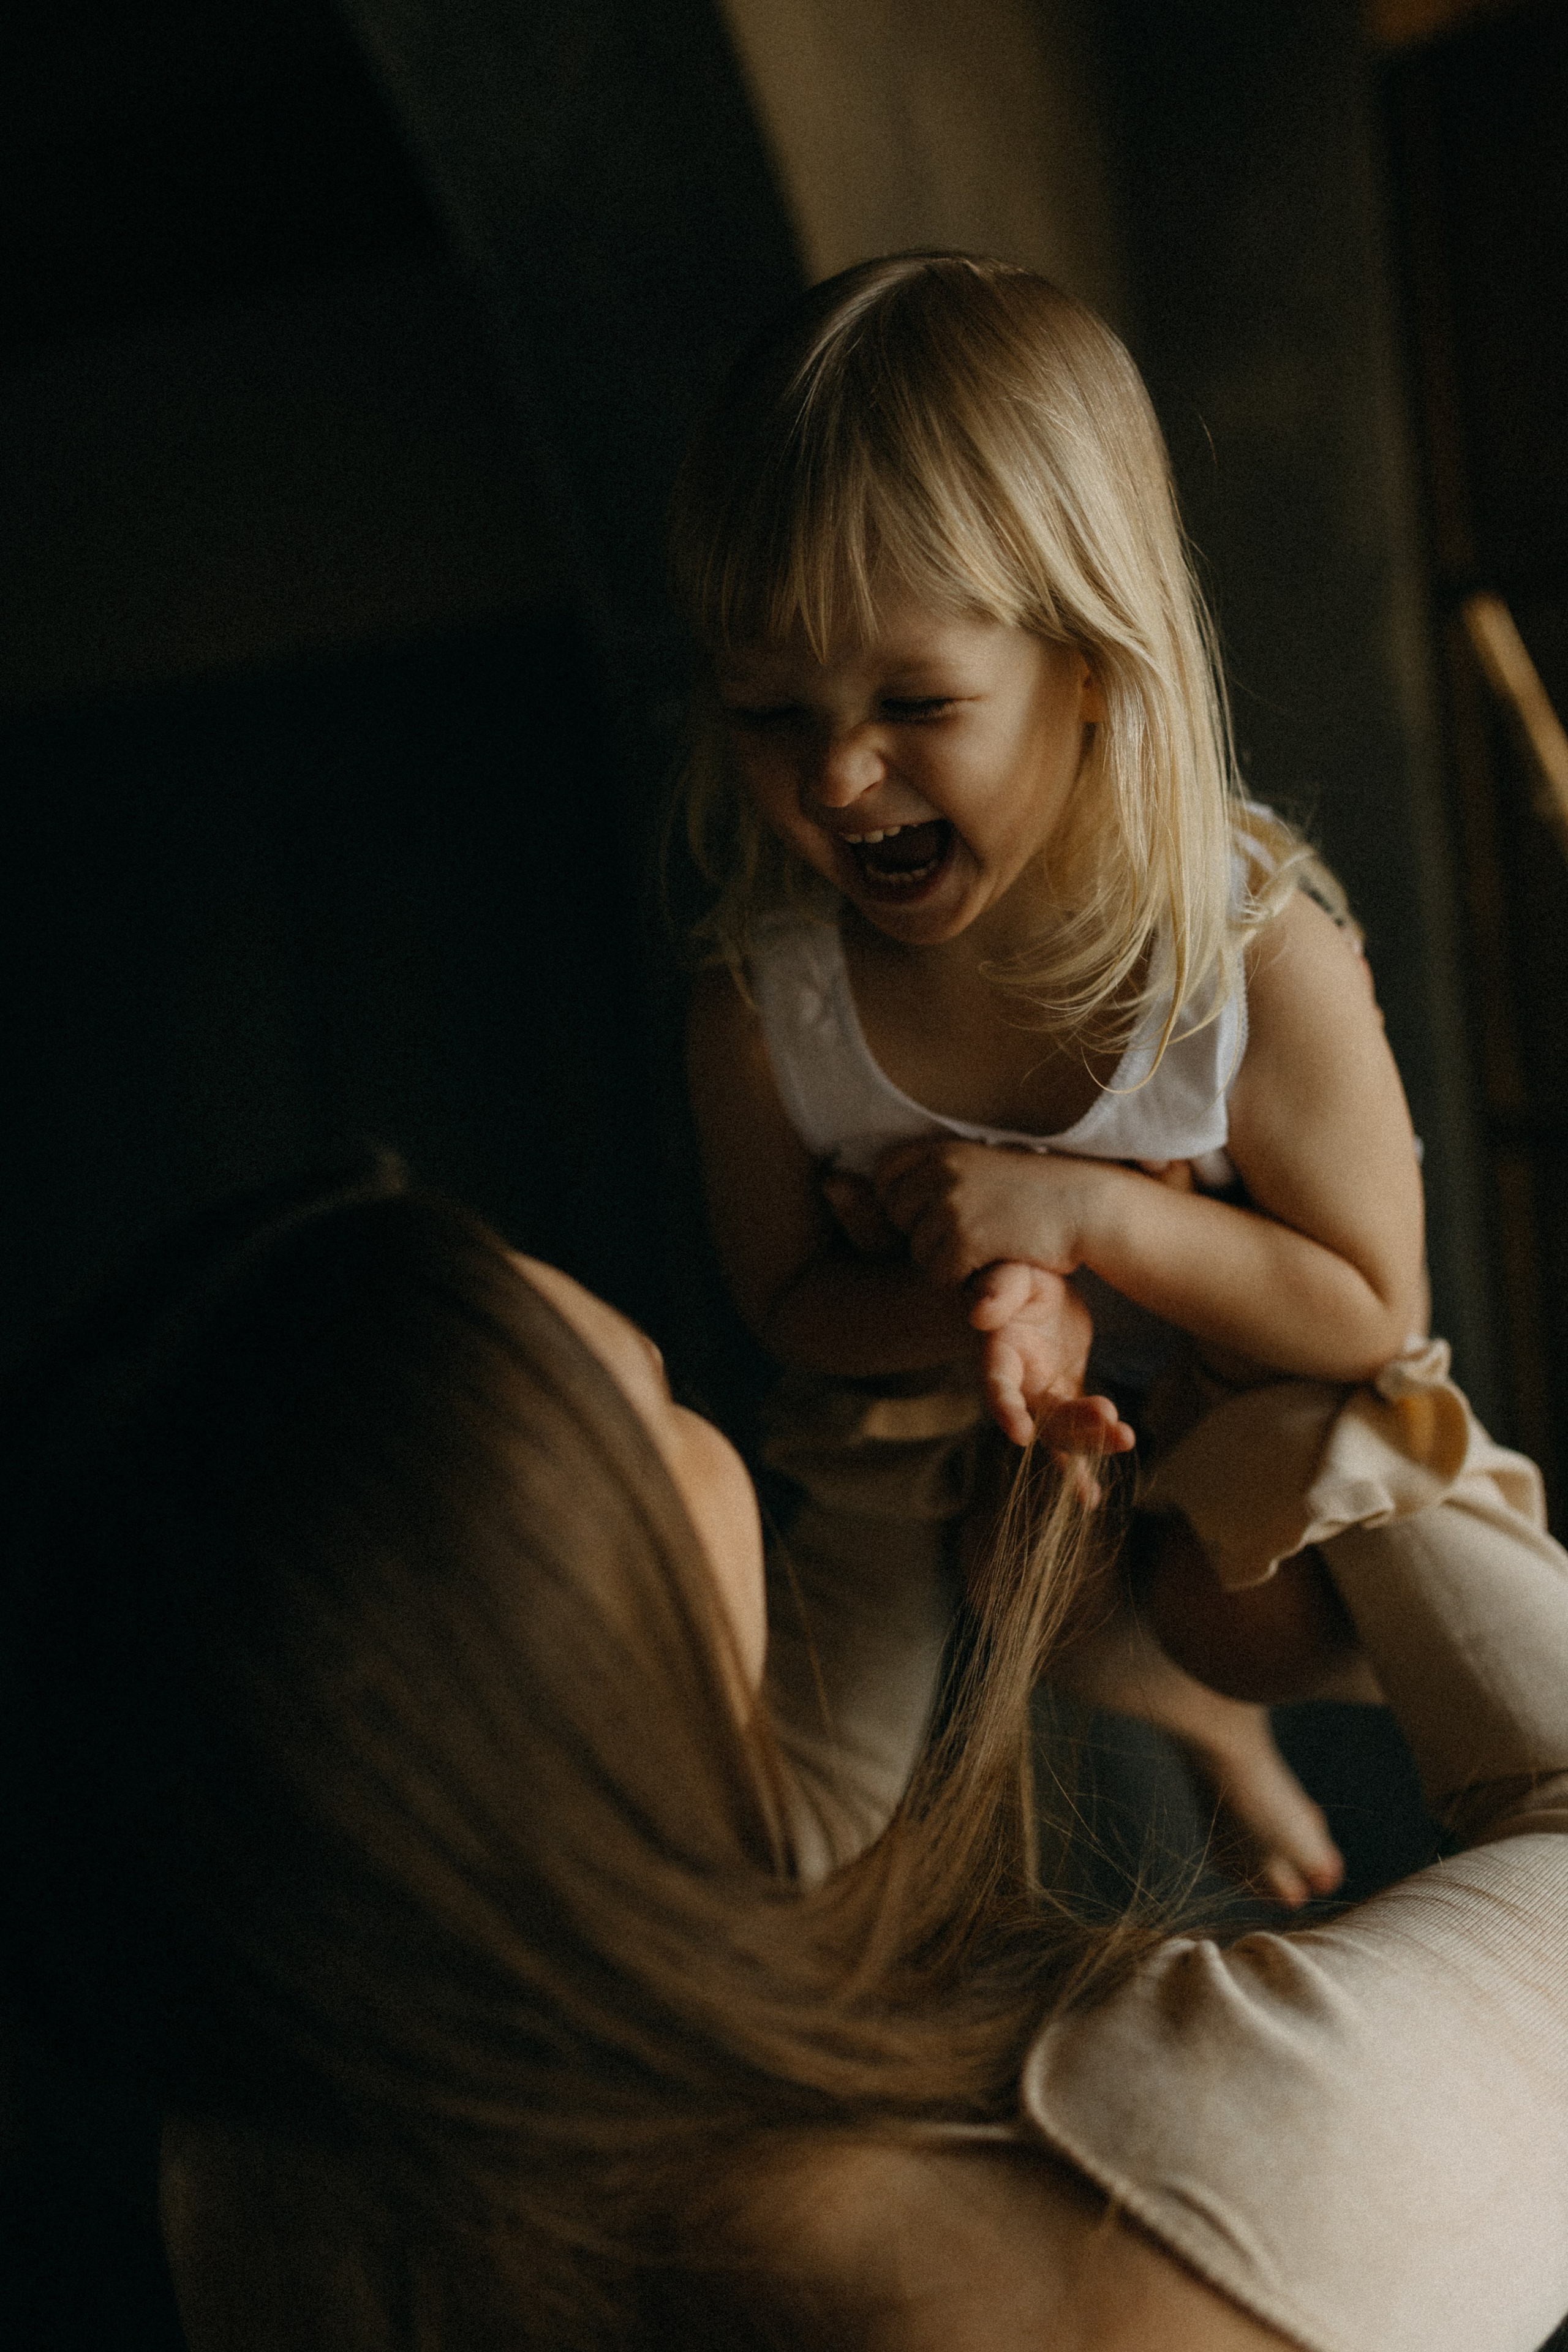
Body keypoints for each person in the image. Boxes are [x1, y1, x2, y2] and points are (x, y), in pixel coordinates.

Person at [3, 1157, 1566, 2351]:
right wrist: (1326, 1390)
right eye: (661, 1397)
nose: (718, 1433)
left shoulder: (284, 2144)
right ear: (589, 1659)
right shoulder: (1183, 2189)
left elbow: (778, 1824)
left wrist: (934, 1367)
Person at [673, 252, 1426, 1901]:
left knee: (1272, 1603)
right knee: (797, 1827)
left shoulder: (1252, 963)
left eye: (916, 702)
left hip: (1228, 1387)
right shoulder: (762, 1011)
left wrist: (1078, 1220)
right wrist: (987, 1308)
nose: (836, 773)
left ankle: (1225, 1726)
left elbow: (1366, 1308)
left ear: (1091, 666)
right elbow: (789, 1299)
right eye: (767, 711)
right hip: (926, 1397)